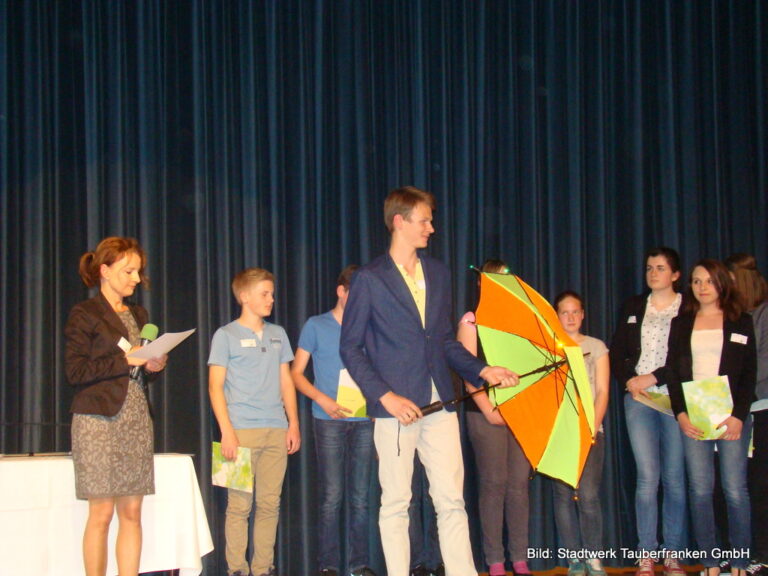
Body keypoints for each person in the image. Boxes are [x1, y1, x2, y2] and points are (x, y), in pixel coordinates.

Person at [339, 186, 519, 576]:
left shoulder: (438, 272)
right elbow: (350, 348)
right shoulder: (369, 278)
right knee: (395, 503)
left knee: (452, 500)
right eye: (424, 220)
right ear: (399, 222)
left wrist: (482, 370)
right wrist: (386, 397)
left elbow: (443, 341)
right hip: (396, 409)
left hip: (441, 403)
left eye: (431, 221)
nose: (431, 228)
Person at [64, 236, 167, 576]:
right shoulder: (85, 313)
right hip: (97, 420)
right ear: (105, 271)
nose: (136, 279)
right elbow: (75, 372)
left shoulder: (139, 314)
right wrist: (125, 360)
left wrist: (153, 364)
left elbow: (140, 370)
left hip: (135, 418)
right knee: (102, 514)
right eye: (128, 271)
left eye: (138, 271)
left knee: (132, 513)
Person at [208, 267, 301, 576]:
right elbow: (215, 387)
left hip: (276, 429)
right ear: (244, 296)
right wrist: (227, 432)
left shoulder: (278, 334)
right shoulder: (225, 335)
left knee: (270, 504)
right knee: (238, 506)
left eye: (272, 293)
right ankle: (237, 569)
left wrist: (293, 424)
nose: (271, 299)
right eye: (264, 294)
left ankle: (263, 568)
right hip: (239, 432)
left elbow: (286, 382)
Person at [666, 259, 756, 576]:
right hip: (694, 414)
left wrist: (738, 416)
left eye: (708, 281)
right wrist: (680, 414)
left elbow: (749, 374)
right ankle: (710, 562)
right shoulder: (681, 323)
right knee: (700, 490)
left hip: (731, 414)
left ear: (722, 283)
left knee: (735, 490)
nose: (702, 287)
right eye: (696, 281)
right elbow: (673, 374)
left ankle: (740, 561)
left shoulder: (741, 321)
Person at [291, 265, 377, 576]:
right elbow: (296, 374)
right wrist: (322, 399)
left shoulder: (369, 328)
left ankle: (359, 564)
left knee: (361, 497)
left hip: (363, 419)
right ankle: (327, 565)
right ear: (341, 292)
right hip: (327, 419)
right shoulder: (316, 325)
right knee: (331, 496)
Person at [609, 247, 688, 576]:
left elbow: (686, 358)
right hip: (639, 399)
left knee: (674, 478)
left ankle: (673, 553)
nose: (653, 273)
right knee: (647, 477)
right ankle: (646, 553)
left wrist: (655, 377)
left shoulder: (687, 307)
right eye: (649, 268)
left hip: (674, 400)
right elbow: (617, 352)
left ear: (675, 275)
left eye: (660, 268)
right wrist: (630, 380)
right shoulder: (633, 306)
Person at [457, 259, 532, 576]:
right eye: (493, 279)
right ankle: (495, 560)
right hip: (484, 413)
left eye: (505, 279)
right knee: (493, 483)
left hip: (518, 413)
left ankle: (520, 558)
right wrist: (488, 409)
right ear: (481, 283)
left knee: (518, 485)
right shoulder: (472, 320)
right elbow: (468, 371)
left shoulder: (520, 320)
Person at [552, 291, 610, 576]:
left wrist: (592, 427)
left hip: (590, 429)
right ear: (556, 316)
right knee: (562, 496)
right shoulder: (550, 347)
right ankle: (574, 558)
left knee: (588, 495)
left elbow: (602, 391)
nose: (571, 317)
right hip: (559, 432)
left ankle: (594, 556)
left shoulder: (596, 346)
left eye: (575, 311)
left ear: (583, 314)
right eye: (564, 312)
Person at [725, 253, 768, 576]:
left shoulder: (764, 314)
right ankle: (739, 552)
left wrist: (740, 393)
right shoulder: (733, 317)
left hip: (761, 407)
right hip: (735, 411)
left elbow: (761, 364)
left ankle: (762, 554)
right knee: (735, 485)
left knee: (760, 484)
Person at [408, 454, 443, 576]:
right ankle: (417, 565)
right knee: (411, 503)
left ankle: (436, 563)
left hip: (435, 443)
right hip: (404, 444)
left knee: (435, 502)